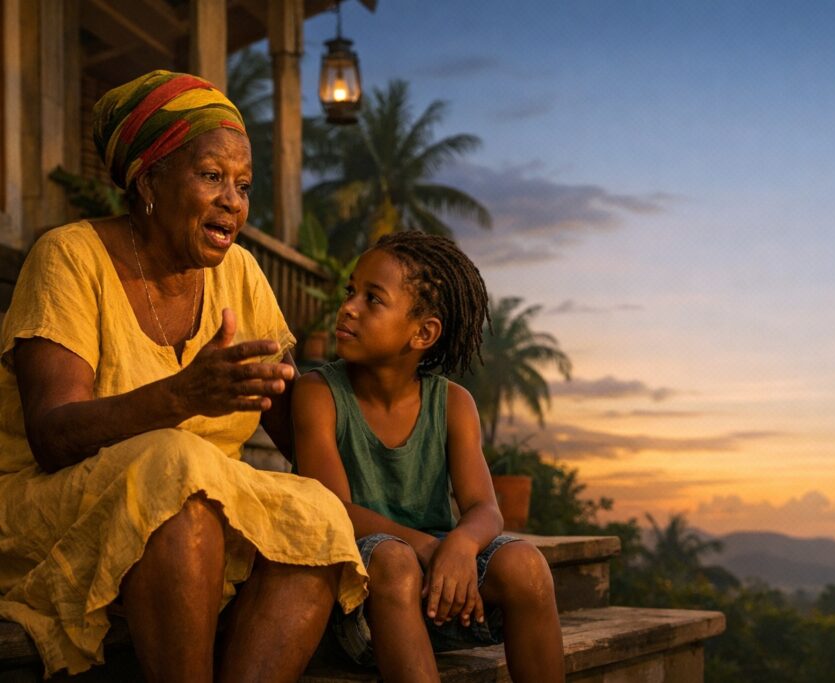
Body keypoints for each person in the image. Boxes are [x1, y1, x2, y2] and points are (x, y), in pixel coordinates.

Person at [0, 70, 367, 681]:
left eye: (243, 185)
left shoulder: (241, 273)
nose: (234, 201)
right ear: (148, 181)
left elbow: (296, 427)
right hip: (57, 508)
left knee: (315, 514)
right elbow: (52, 435)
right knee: (178, 469)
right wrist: (181, 396)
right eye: (211, 176)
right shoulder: (67, 256)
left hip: (196, 516)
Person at [292, 231, 565, 682]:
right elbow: (333, 508)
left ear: (423, 333)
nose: (349, 307)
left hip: (440, 595)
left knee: (527, 566)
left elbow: (485, 508)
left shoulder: (453, 404)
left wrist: (460, 546)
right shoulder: (318, 393)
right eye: (350, 291)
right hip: (356, 599)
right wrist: (428, 547)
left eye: (372, 299)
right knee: (394, 561)